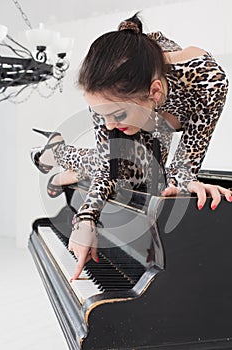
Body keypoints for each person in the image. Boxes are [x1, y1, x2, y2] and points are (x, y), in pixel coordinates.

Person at [31, 13, 232, 282]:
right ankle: (59, 152)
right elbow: (109, 167)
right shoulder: (111, 96)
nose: (109, 125)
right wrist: (86, 218)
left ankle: (61, 155)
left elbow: (185, 167)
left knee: (144, 178)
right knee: (126, 174)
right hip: (146, 112)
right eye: (101, 115)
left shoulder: (208, 82)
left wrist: (185, 181)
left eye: (117, 115)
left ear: (156, 91)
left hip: (159, 111)